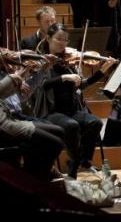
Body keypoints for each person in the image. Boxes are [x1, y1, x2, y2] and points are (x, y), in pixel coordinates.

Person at [0, 13, 65, 181]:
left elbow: (11, 96)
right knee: (54, 142)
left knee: (58, 132)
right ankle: (32, 181)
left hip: (3, 117)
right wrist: (16, 76)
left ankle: (33, 177)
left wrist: (26, 74)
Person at [35, 23, 115, 177]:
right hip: (51, 112)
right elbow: (41, 85)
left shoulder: (69, 63)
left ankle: (80, 160)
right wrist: (64, 77)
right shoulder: (41, 62)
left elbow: (81, 86)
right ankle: (77, 161)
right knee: (71, 125)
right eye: (59, 39)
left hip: (71, 110)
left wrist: (101, 72)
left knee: (95, 122)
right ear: (48, 38)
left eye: (65, 40)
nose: (62, 43)